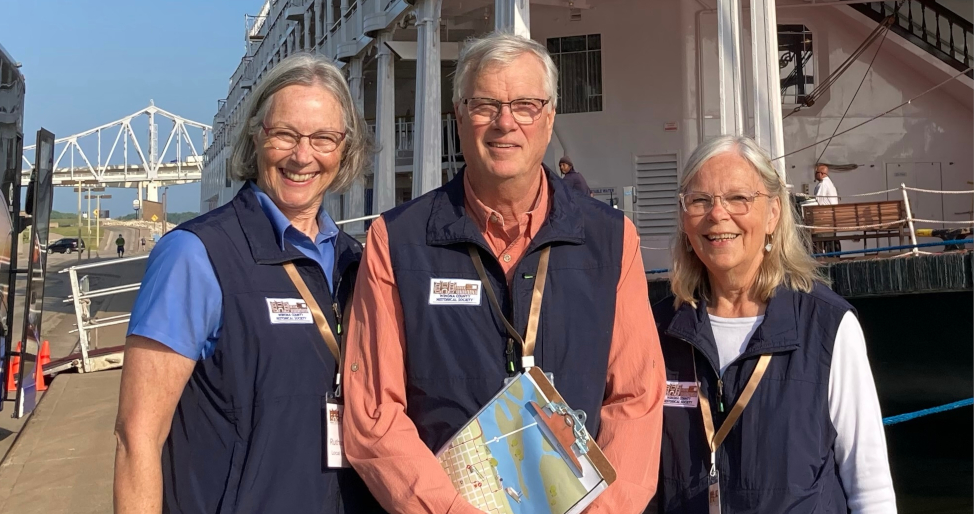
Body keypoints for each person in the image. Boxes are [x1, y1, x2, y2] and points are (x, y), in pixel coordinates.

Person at [343, 32, 665, 513]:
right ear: (458, 115)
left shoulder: (613, 239)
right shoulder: (398, 241)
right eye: (485, 104)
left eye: (525, 105)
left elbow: (637, 397)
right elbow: (374, 411)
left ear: (550, 116)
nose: (504, 123)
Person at [113, 53, 380, 514]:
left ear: (346, 148)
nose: (303, 156)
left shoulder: (357, 264)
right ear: (256, 137)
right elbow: (137, 437)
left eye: (323, 138)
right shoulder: (195, 256)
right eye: (284, 135)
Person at [652, 135, 894, 513]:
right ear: (684, 218)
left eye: (738, 198)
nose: (717, 214)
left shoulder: (828, 328)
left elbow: (871, 489)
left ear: (773, 214)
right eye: (700, 200)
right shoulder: (658, 329)